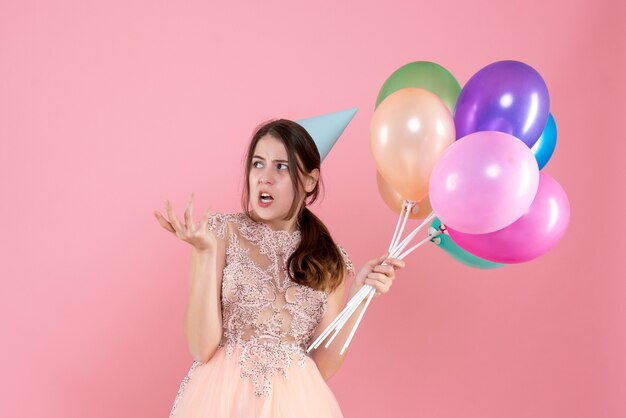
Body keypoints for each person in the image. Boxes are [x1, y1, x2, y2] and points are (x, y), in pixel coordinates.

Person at [154, 119, 405, 417]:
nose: (264, 178)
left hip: (296, 406)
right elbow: (201, 347)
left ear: (310, 181)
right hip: (222, 402)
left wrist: (359, 298)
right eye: (258, 165)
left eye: (281, 167)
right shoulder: (220, 234)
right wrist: (205, 252)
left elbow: (322, 366)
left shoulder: (329, 258)